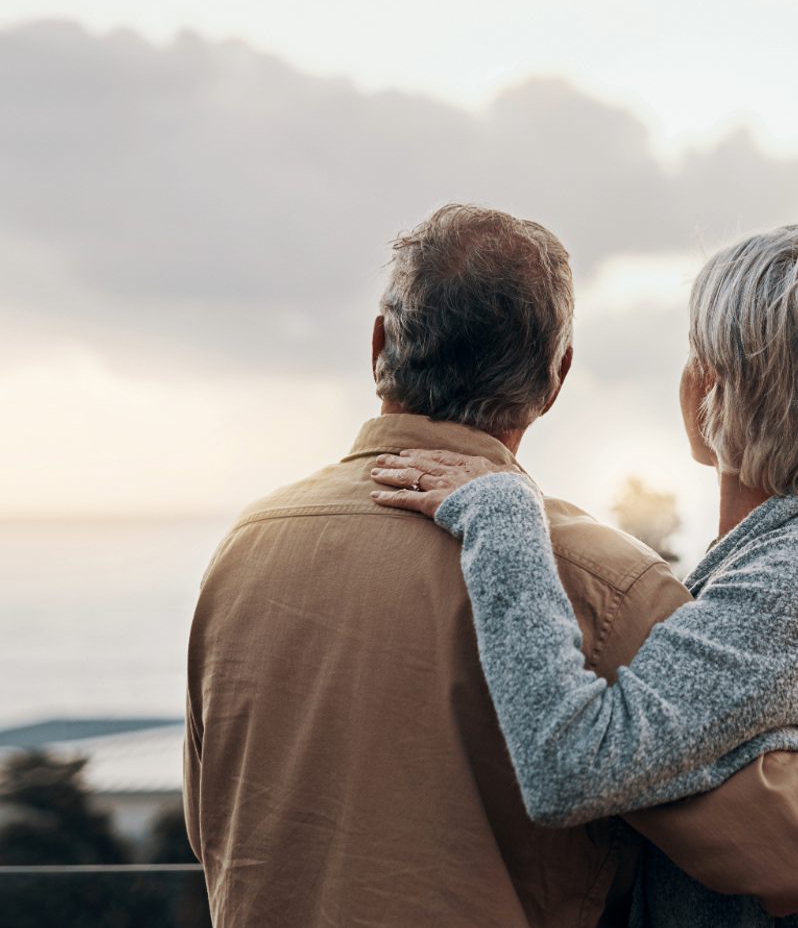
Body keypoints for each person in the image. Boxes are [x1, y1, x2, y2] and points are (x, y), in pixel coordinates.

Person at [184, 206, 798, 928]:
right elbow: (767, 853)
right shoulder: (604, 584)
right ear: (556, 377)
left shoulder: (246, 548)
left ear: (380, 342)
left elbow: (210, 822)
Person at [370, 224, 798, 925]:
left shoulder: (783, 583)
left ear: (712, 389)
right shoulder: (766, 563)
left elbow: (570, 767)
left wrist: (504, 514)